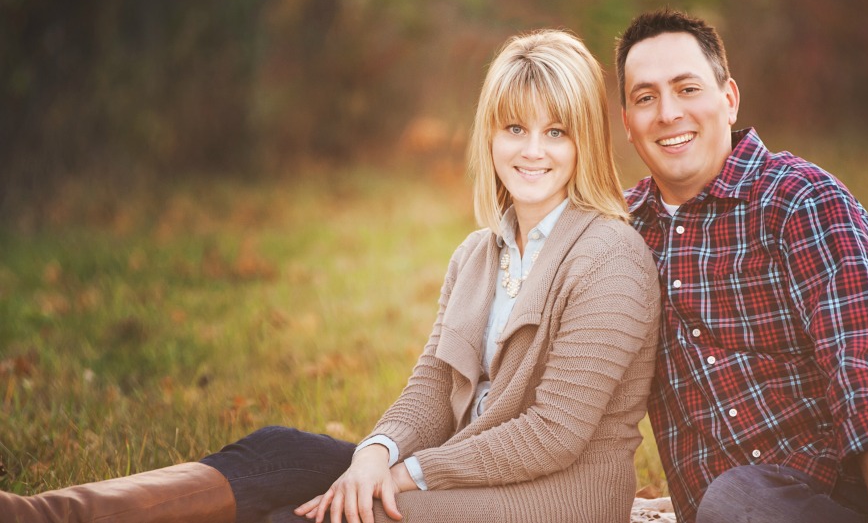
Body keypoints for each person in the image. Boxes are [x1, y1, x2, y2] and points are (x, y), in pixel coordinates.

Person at [1, 29, 661, 523]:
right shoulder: (478, 253)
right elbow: (433, 383)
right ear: (489, 136)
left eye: (556, 132)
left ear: (585, 142)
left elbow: (552, 433)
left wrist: (408, 472)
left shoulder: (609, 256)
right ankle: (43, 514)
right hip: (463, 474)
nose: (533, 150)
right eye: (515, 127)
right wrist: (377, 449)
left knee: (317, 517)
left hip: (555, 500)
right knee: (276, 452)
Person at [614, 8, 868, 523]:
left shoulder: (799, 196)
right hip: (768, 490)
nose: (668, 112)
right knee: (731, 503)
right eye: (645, 97)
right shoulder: (620, 235)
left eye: (687, 88)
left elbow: (863, 354)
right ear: (628, 123)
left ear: (729, 98)